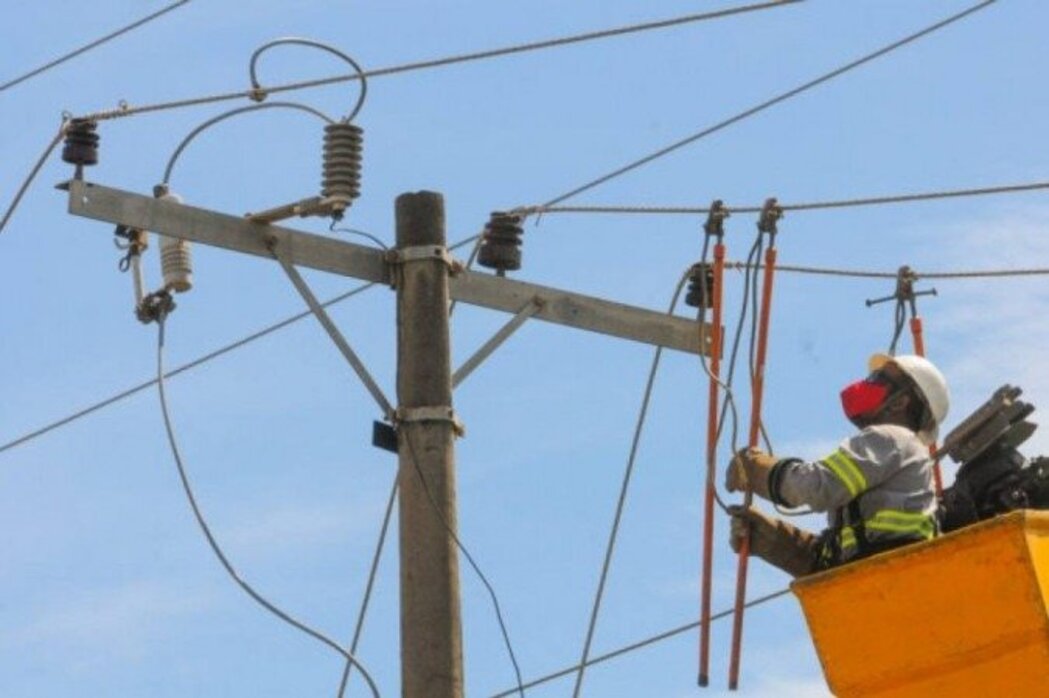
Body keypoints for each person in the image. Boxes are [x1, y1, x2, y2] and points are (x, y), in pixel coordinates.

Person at [724, 353, 949, 577]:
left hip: (889, 578)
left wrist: (757, 471)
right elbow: (840, 557)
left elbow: (817, 487)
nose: (866, 384)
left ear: (900, 402)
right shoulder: (893, 457)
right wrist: (775, 541)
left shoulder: (892, 438)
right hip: (882, 582)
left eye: (878, 379)